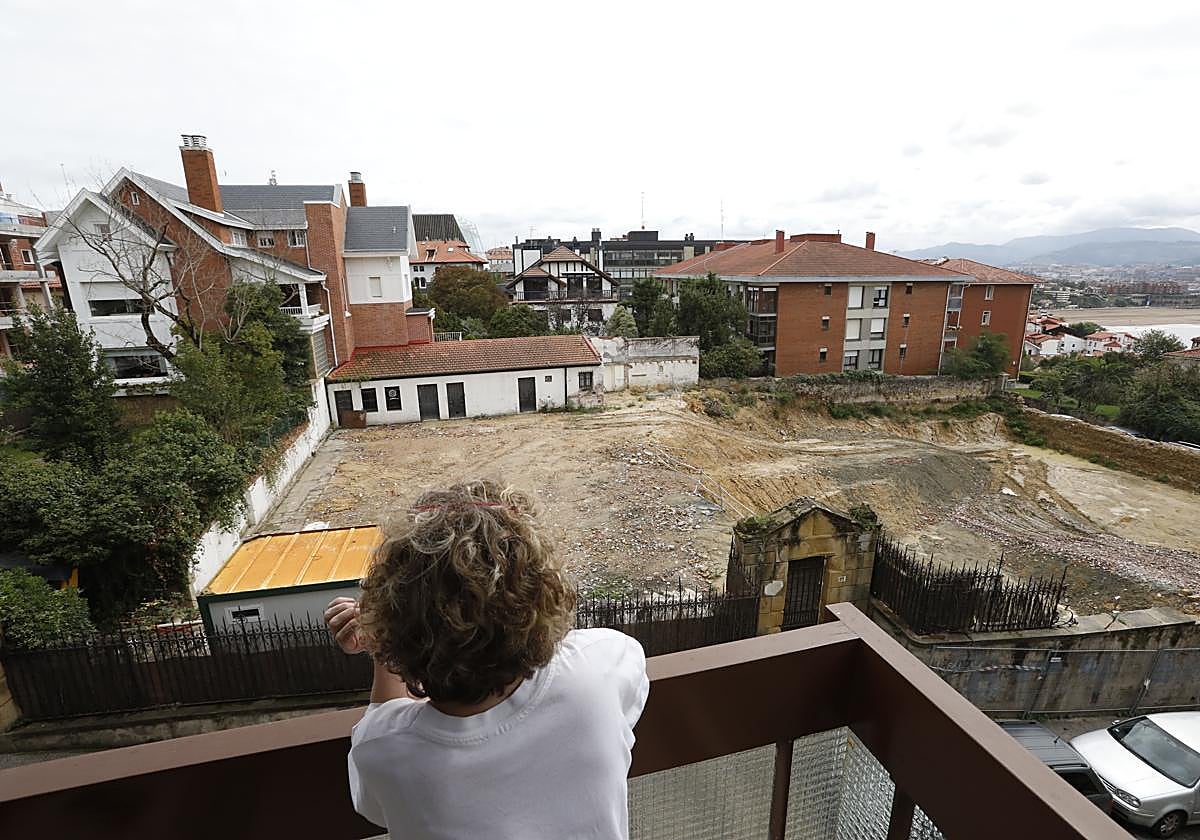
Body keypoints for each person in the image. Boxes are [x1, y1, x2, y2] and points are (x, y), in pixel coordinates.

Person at [324, 479, 649, 839]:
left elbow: (374, 801)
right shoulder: (597, 667)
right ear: (542, 592)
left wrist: (382, 645)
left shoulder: (382, 748)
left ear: (395, 625)